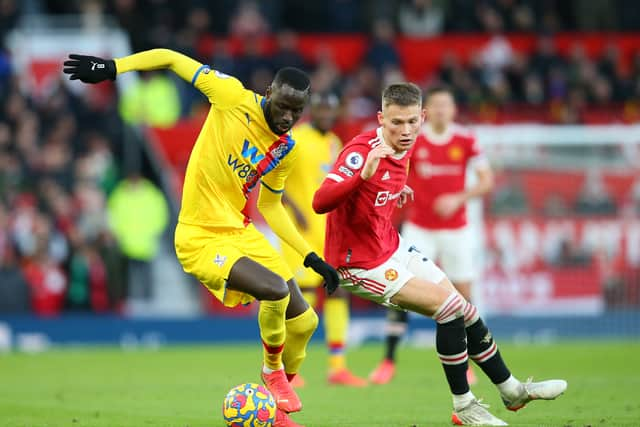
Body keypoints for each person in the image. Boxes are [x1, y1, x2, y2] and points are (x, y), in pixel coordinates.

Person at [64, 49, 340, 427]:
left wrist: (311, 257)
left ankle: (274, 413)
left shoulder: (285, 147)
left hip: (240, 231)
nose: (289, 117)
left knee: (306, 322)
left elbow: (272, 207)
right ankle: (272, 374)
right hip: (199, 236)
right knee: (274, 291)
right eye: (284, 106)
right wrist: (114, 68)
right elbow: (170, 58)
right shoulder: (230, 96)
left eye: (298, 111)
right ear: (269, 92)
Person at [312, 82, 566, 426]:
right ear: (380, 119)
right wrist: (363, 176)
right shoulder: (361, 152)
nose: (405, 131)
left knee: (466, 308)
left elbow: (376, 190)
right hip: (358, 263)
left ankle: (512, 391)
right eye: (395, 123)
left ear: (423, 117)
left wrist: (391, 187)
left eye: (411, 122)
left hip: (390, 244)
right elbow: (321, 202)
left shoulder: (410, 145)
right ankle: (464, 407)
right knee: (448, 310)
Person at [370, 85, 494, 386]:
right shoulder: (414, 137)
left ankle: (467, 365)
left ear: (453, 110)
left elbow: (486, 181)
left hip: (457, 229)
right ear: (426, 112)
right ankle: (388, 361)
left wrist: (458, 198)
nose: (440, 110)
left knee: (463, 295)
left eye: (445, 105)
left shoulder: (466, 140)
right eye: (435, 105)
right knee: (399, 290)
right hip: (419, 228)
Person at [280, 92, 367, 387]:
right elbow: (273, 181)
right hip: (300, 233)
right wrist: (293, 210)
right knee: (300, 299)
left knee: (337, 291)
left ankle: (338, 366)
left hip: (328, 233)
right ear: (310, 110)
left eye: (331, 110)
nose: (326, 115)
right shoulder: (295, 139)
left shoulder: (335, 144)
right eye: (320, 109)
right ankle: (286, 368)